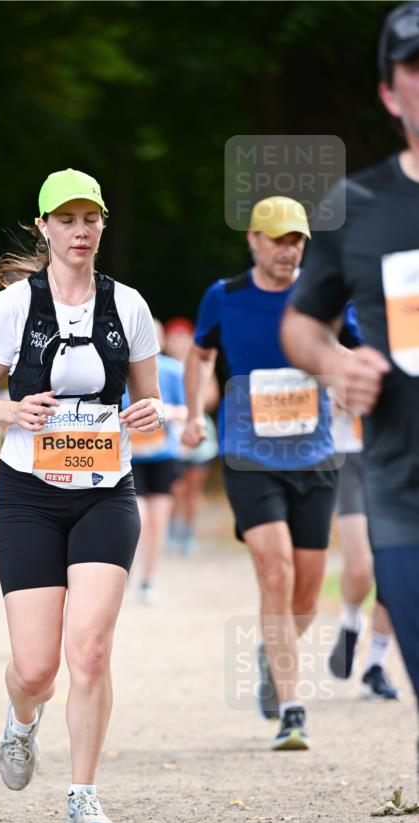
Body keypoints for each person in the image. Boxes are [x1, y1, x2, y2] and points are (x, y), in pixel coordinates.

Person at [0, 168, 161, 823]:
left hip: (107, 490)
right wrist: (12, 409)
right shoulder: (16, 306)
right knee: (38, 667)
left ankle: (82, 794)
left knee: (91, 651)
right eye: (67, 219)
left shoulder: (128, 305)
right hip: (28, 494)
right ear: (44, 227)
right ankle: (21, 721)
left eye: (91, 219)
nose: (80, 231)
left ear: (103, 226)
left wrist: (147, 415)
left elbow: (148, 401)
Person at [282, 2, 419, 720]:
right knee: (361, 568)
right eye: (415, 67)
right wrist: (335, 366)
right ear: (389, 94)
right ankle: (360, 652)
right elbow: (301, 327)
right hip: (400, 485)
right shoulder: (356, 207)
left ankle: (361, 654)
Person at [182, 196, 338, 752]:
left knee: (307, 598)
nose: (289, 249)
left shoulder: (322, 295)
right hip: (249, 455)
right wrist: (197, 413)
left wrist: (347, 376)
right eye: (279, 239)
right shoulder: (224, 297)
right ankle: (293, 711)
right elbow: (200, 355)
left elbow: (359, 350)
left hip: (316, 458)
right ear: (254, 240)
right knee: (274, 573)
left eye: (297, 239)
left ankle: (272, 652)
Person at [328, 303, 397, 700]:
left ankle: (376, 664)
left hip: (397, 457)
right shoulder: (343, 308)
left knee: (396, 562)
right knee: (361, 565)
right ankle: (351, 620)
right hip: (349, 455)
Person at [124, 319, 186, 603]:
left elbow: (188, 411)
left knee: (157, 523)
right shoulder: (119, 369)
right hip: (129, 456)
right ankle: (124, 575)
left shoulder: (172, 370)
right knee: (136, 518)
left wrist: (164, 413)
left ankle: (149, 580)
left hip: (163, 455)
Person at [163, 316, 219, 555]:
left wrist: (189, 405)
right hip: (169, 434)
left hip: (197, 433)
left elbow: (212, 398)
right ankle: (170, 531)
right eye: (174, 338)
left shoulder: (201, 364)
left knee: (193, 490)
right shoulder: (159, 367)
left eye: (183, 338)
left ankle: (187, 533)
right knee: (174, 487)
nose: (178, 343)